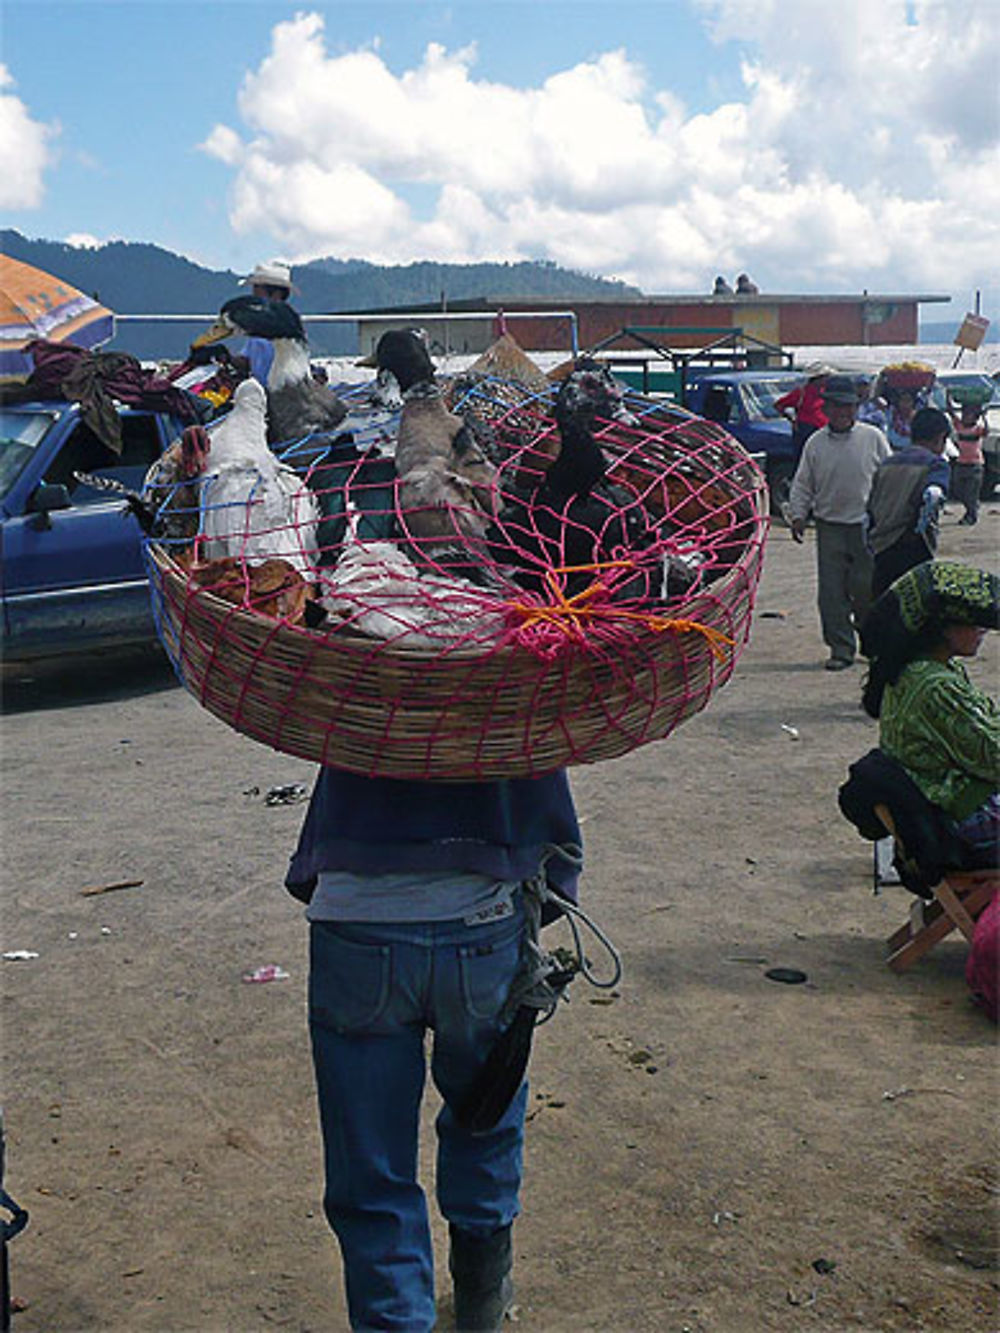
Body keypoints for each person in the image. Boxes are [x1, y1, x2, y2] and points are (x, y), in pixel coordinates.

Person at [285, 765, 585, 1332]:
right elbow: (551, 820)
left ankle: (398, 1320)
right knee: (486, 1118)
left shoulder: (349, 682)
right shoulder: (516, 683)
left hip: (357, 925)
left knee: (370, 1166)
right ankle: (482, 1302)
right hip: (481, 922)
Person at [860, 561, 999, 866]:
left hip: (940, 807)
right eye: (975, 623)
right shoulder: (936, 687)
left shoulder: (915, 669)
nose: (983, 631)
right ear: (943, 629)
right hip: (962, 820)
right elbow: (994, 760)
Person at [787, 374, 891, 669]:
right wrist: (797, 514)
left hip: (867, 526)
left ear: (856, 408)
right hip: (829, 525)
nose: (843, 412)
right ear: (827, 408)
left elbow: (888, 476)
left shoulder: (873, 438)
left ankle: (872, 647)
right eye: (836, 406)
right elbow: (803, 483)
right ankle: (841, 650)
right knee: (831, 594)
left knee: (866, 590)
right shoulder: (816, 443)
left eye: (849, 407)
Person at [866, 406, 951, 598]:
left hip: (881, 545)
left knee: (884, 601)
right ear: (941, 437)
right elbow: (935, 492)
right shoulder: (935, 464)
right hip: (912, 545)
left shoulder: (887, 464)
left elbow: (871, 504)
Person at [241, 258, 294, 386]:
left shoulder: (287, 328)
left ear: (276, 295)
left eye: (258, 292)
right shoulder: (257, 326)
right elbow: (247, 360)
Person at [775, 364, 832, 462]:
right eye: (825, 377)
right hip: (806, 431)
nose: (827, 380)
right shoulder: (801, 393)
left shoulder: (826, 392)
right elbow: (779, 405)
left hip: (824, 430)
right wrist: (791, 419)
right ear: (817, 378)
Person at [949, 400, 987, 525]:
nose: (965, 416)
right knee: (958, 489)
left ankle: (971, 516)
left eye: (969, 414)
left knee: (971, 492)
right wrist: (948, 397)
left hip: (975, 464)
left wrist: (984, 416)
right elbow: (951, 412)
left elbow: (986, 432)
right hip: (961, 462)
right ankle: (972, 510)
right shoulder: (959, 426)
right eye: (964, 414)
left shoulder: (977, 429)